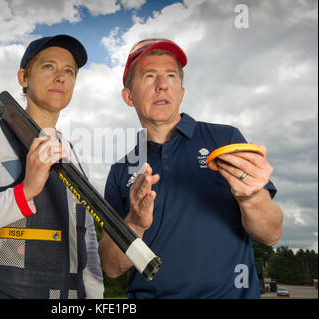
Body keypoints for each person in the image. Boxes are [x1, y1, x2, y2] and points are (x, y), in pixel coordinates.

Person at [98, 38, 283, 298]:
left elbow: (271, 235)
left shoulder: (225, 140)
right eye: (150, 76)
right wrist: (135, 224)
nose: (162, 85)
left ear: (181, 92)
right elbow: (110, 266)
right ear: (129, 96)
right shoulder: (121, 169)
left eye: (171, 76)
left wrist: (251, 197)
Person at [0, 35, 104, 299]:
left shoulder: (75, 155)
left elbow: (87, 246)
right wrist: (25, 192)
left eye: (69, 71)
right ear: (23, 77)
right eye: (49, 66)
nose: (61, 77)